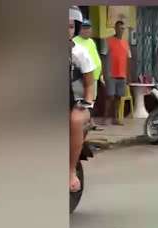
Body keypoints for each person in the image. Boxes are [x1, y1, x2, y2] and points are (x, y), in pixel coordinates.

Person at [69, 7, 96, 192]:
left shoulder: (78, 53)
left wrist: (86, 103)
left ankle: (69, 171)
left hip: (76, 103)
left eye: (70, 26)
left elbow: (89, 84)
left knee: (75, 120)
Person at [102, 20, 131, 125]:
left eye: (123, 28)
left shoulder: (126, 43)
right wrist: (104, 73)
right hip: (111, 74)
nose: (121, 30)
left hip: (122, 74)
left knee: (119, 97)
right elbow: (104, 58)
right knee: (110, 96)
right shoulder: (108, 41)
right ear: (115, 28)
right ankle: (105, 117)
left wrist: (128, 75)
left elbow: (128, 59)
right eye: (119, 28)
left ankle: (116, 118)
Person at [73, 19, 103, 102]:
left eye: (88, 28)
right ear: (79, 29)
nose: (87, 30)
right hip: (82, 79)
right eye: (84, 28)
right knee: (82, 103)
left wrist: (100, 73)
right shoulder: (75, 41)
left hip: (94, 78)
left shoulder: (91, 41)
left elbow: (95, 58)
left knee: (91, 102)